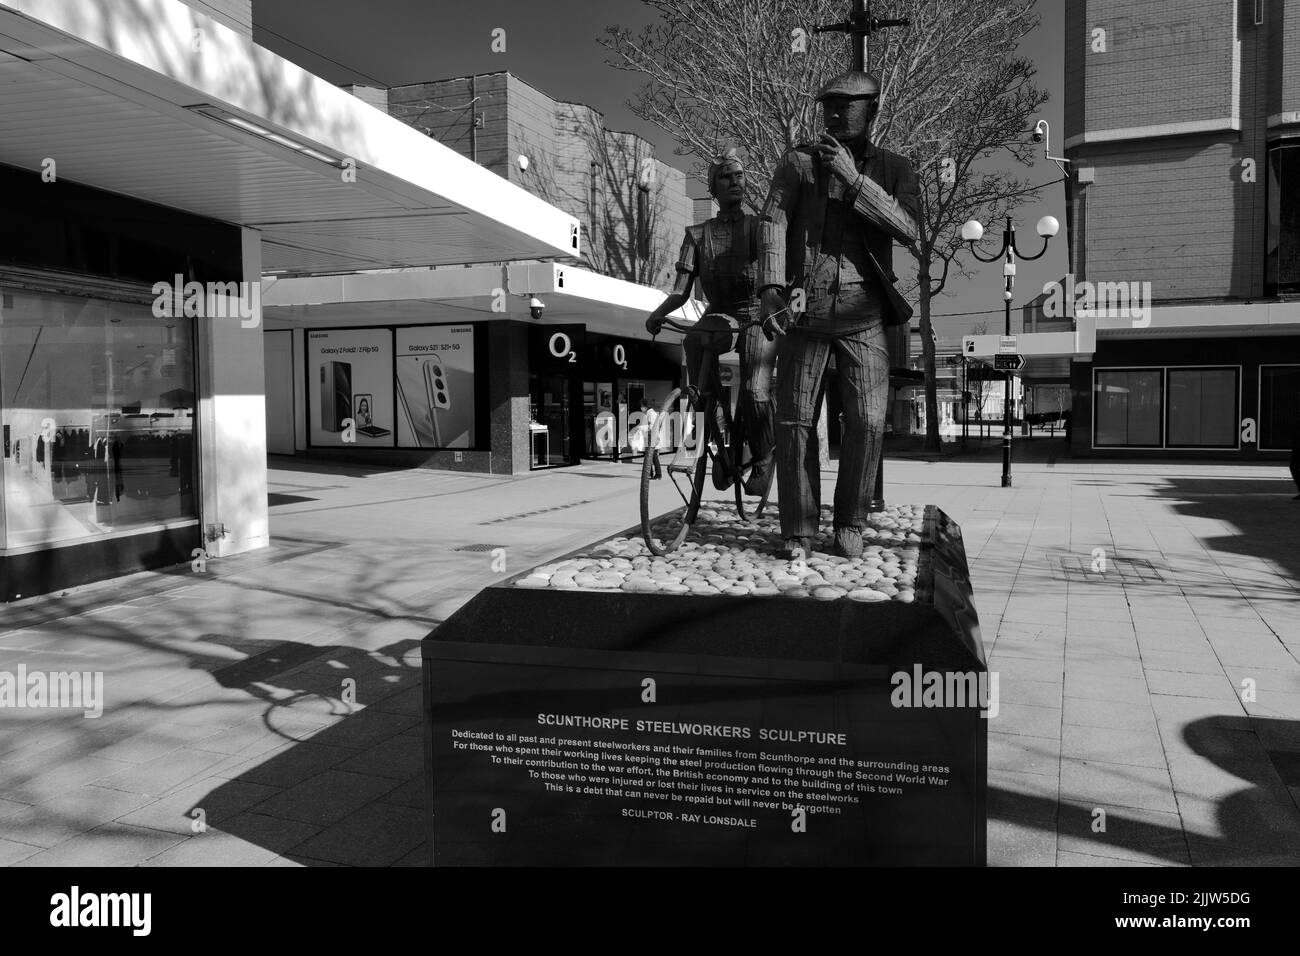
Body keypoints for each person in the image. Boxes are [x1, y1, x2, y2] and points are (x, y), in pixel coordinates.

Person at [758, 70, 920, 559]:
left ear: (872, 109)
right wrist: (769, 286)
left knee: (869, 422)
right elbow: (773, 218)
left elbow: (908, 227)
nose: (836, 111)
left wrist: (854, 180)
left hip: (864, 310)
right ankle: (798, 530)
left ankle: (850, 520)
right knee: (794, 421)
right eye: (829, 103)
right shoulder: (797, 163)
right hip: (804, 308)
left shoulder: (895, 168)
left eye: (848, 104)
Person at [645, 149, 777, 496]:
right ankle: (714, 432)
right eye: (726, 177)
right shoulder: (697, 234)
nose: (735, 181)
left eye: (740, 175)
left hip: (754, 313)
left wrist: (774, 310)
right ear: (713, 189)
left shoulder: (757, 227)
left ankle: (763, 456)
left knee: (754, 390)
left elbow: (771, 277)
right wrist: (659, 312)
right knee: (693, 342)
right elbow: (680, 291)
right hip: (718, 311)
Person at [641, 398, 662, 479]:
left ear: (645, 406)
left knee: (653, 457)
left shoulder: (651, 414)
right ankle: (651, 473)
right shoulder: (649, 414)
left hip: (652, 439)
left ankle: (658, 474)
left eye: (642, 406)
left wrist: (643, 428)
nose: (641, 407)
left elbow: (652, 426)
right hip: (650, 439)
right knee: (650, 457)